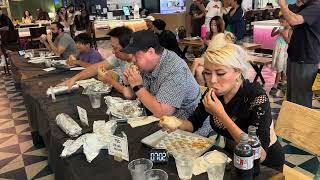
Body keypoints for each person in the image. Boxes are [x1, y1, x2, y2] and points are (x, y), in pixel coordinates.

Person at [160, 35, 285, 171]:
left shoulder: (256, 97)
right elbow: (194, 123)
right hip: (231, 157)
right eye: (207, 73)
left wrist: (221, 115)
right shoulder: (214, 93)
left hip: (263, 166)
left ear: (238, 72)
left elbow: (259, 154)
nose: (212, 80)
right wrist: (177, 123)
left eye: (220, 73)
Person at [121, 30, 201, 119]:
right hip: (155, 118)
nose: (133, 59)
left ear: (150, 52)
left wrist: (137, 86)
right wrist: (127, 83)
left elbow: (163, 113)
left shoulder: (175, 69)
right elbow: (129, 95)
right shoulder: (148, 64)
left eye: (135, 55)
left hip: (186, 126)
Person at [60, 27, 134, 99]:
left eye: (115, 48)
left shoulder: (138, 63)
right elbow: (95, 68)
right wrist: (73, 79)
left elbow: (131, 94)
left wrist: (109, 80)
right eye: (112, 47)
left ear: (128, 47)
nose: (112, 51)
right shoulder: (118, 56)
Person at [278, 0, 320, 108]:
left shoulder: (316, 6)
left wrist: (282, 4)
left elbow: (293, 20)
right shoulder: (306, 6)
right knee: (292, 97)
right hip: (295, 56)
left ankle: (298, 124)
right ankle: (291, 123)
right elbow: (289, 15)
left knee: (300, 99)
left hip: (305, 58)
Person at [192, 17, 227, 85]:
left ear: (219, 25)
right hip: (207, 57)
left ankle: (189, 80)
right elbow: (204, 48)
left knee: (196, 60)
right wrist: (203, 42)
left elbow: (216, 49)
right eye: (211, 25)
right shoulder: (209, 35)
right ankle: (203, 89)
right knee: (198, 70)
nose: (213, 27)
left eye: (215, 25)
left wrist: (207, 42)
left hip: (215, 58)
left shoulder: (221, 36)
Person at [269, 15, 291, 96]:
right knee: (279, 67)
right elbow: (272, 35)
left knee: (282, 68)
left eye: (282, 22)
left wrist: (284, 35)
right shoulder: (281, 29)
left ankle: (279, 84)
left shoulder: (289, 30)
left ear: (287, 21)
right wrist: (274, 30)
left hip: (283, 52)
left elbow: (289, 41)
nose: (280, 23)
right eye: (280, 22)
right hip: (277, 51)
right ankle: (281, 83)